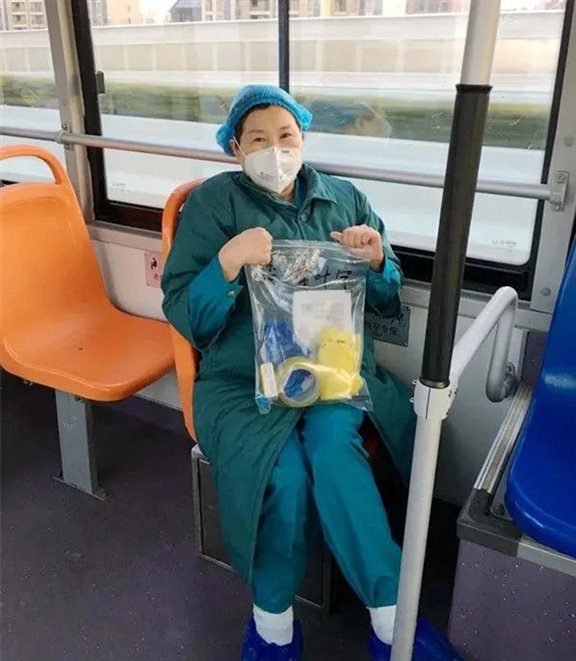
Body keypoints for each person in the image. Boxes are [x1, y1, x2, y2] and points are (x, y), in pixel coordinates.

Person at [161, 85, 460, 661]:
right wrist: (228, 261)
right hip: (242, 379)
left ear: (303, 138)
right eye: (257, 140)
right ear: (234, 149)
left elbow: (387, 299)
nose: (274, 150)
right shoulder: (213, 206)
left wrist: (376, 260)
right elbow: (186, 314)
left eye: (286, 136)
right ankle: (273, 630)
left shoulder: (344, 199)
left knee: (332, 454)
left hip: (331, 370)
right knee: (284, 474)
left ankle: (392, 624)